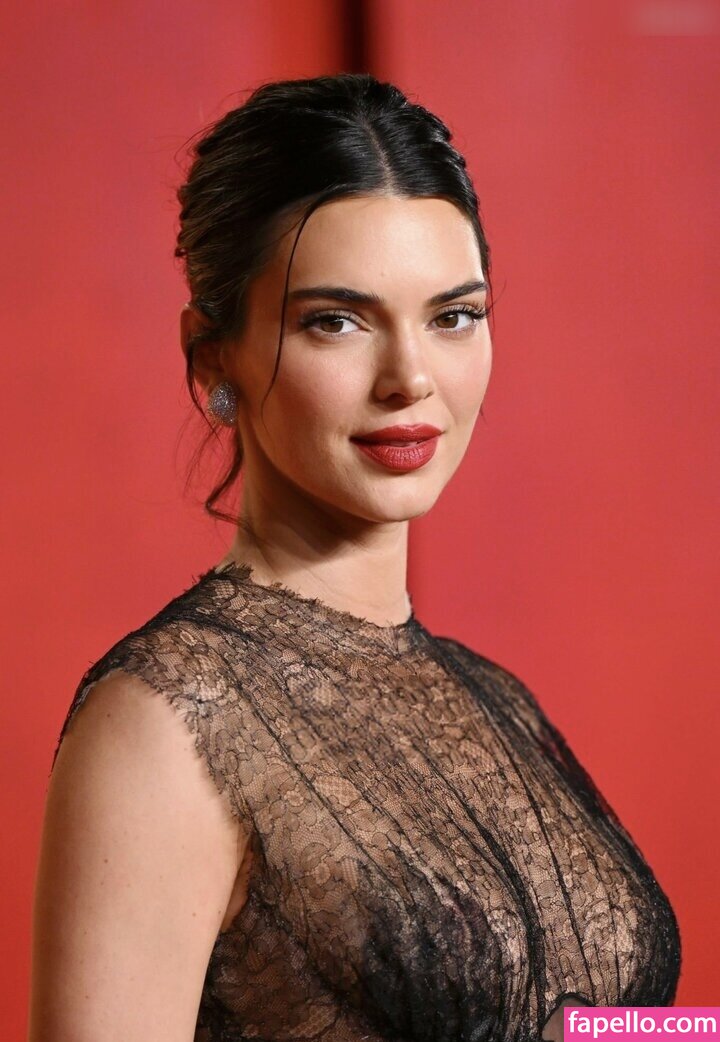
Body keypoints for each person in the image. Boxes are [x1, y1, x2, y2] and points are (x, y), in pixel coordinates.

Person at [29, 73, 681, 1042]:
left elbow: (599, 1025)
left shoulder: (495, 699)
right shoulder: (167, 722)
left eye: (453, 315)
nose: (410, 376)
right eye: (336, 319)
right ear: (213, 357)